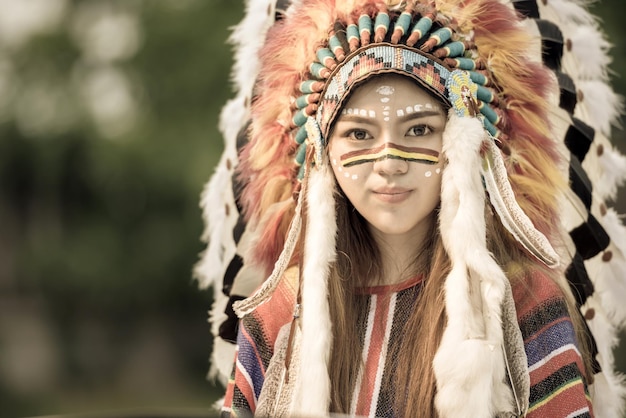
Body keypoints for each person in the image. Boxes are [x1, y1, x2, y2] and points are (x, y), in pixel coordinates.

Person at [201, 0, 626, 417]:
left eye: (419, 128)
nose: (389, 162)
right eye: (359, 133)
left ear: (465, 141)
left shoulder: (521, 303)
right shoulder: (281, 313)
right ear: (320, 154)